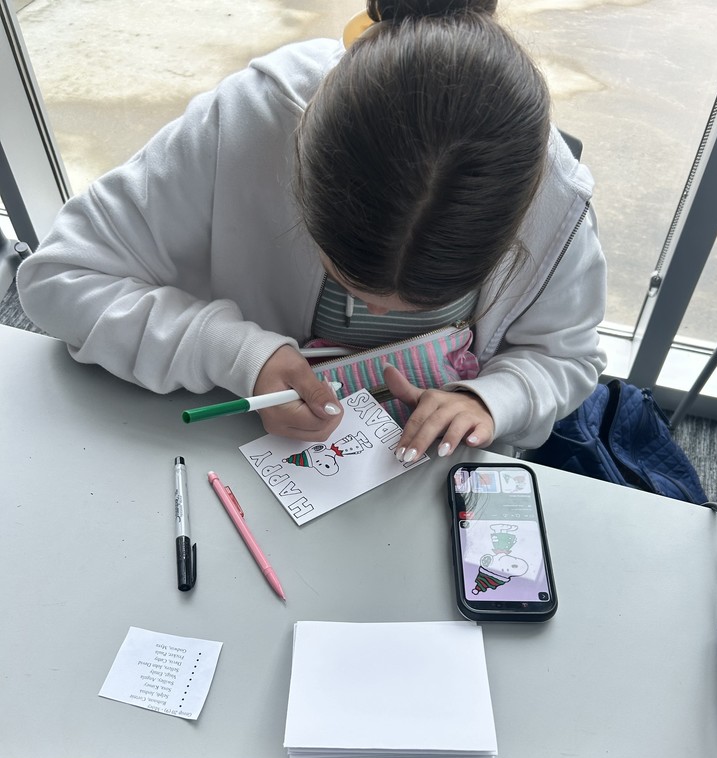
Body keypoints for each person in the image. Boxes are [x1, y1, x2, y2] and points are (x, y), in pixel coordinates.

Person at [18, 0, 607, 463]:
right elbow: (57, 278)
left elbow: (567, 359)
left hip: (434, 476)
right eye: (340, 275)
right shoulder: (250, 122)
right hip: (243, 453)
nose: (364, 307)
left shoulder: (556, 203)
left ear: (513, 236)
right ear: (298, 177)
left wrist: (492, 399)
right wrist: (237, 354)